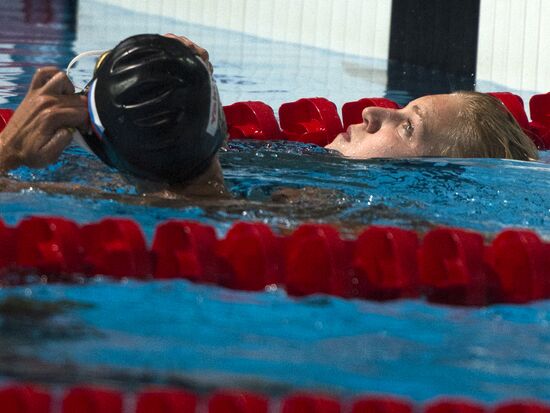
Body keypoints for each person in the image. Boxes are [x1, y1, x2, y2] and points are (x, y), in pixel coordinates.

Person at [0, 34, 539, 198]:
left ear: (440, 181)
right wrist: (181, 87)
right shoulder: (289, 164)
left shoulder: (323, 205)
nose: (374, 109)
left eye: (408, 125)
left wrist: (8, 157)